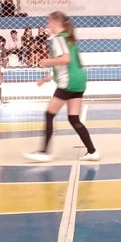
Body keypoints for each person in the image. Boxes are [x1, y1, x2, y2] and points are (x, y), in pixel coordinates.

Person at [24, 11, 100, 162]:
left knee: (49, 115)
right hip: (79, 81)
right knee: (73, 118)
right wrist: (47, 78)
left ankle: (44, 152)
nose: (47, 25)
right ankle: (92, 151)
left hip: (69, 82)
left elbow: (65, 59)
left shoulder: (58, 39)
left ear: (55, 23)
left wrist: (47, 61)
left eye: (49, 22)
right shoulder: (70, 39)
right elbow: (70, 65)